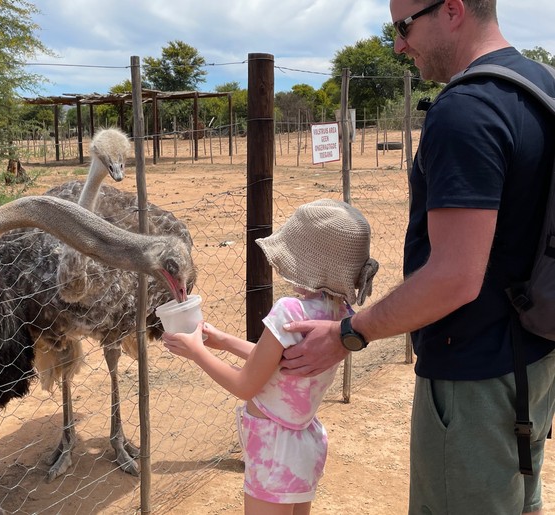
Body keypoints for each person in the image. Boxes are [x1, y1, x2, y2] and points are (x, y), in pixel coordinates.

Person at [279, 1, 555, 514]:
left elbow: (454, 277)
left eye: (403, 27)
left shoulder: (466, 109)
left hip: (474, 379)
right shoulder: (541, 85)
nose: (399, 45)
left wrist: (350, 332)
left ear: (451, 9)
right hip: (534, 358)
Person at [162, 199, 379, 515]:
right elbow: (282, 366)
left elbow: (245, 385)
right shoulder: (339, 317)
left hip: (273, 450)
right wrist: (225, 341)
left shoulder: (289, 311)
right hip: (305, 444)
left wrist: (197, 353)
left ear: (307, 263)